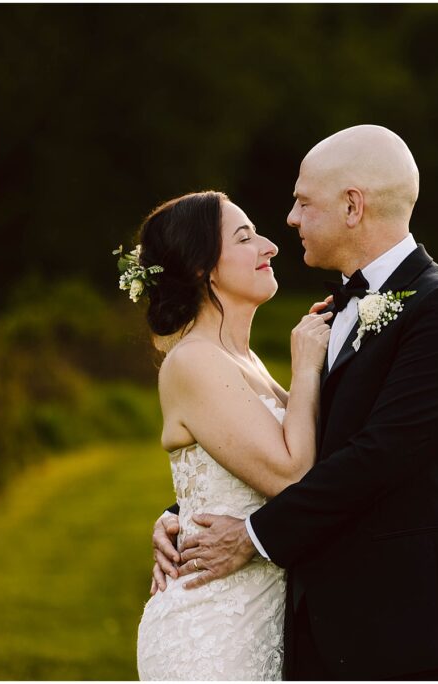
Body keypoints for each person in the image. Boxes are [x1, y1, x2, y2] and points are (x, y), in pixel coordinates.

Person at [152, 125, 438, 680]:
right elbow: (296, 443)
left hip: (419, 631)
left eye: (302, 202)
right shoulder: (329, 320)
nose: (290, 220)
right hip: (327, 635)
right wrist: (184, 515)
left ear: (352, 206)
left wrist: (252, 535)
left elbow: (379, 456)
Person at [132, 190, 334, 680]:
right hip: (211, 635)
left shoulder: (244, 361)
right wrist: (306, 367)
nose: (270, 246)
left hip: (259, 623)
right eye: (246, 237)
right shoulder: (194, 360)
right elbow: (291, 476)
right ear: (205, 270)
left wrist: (178, 510)